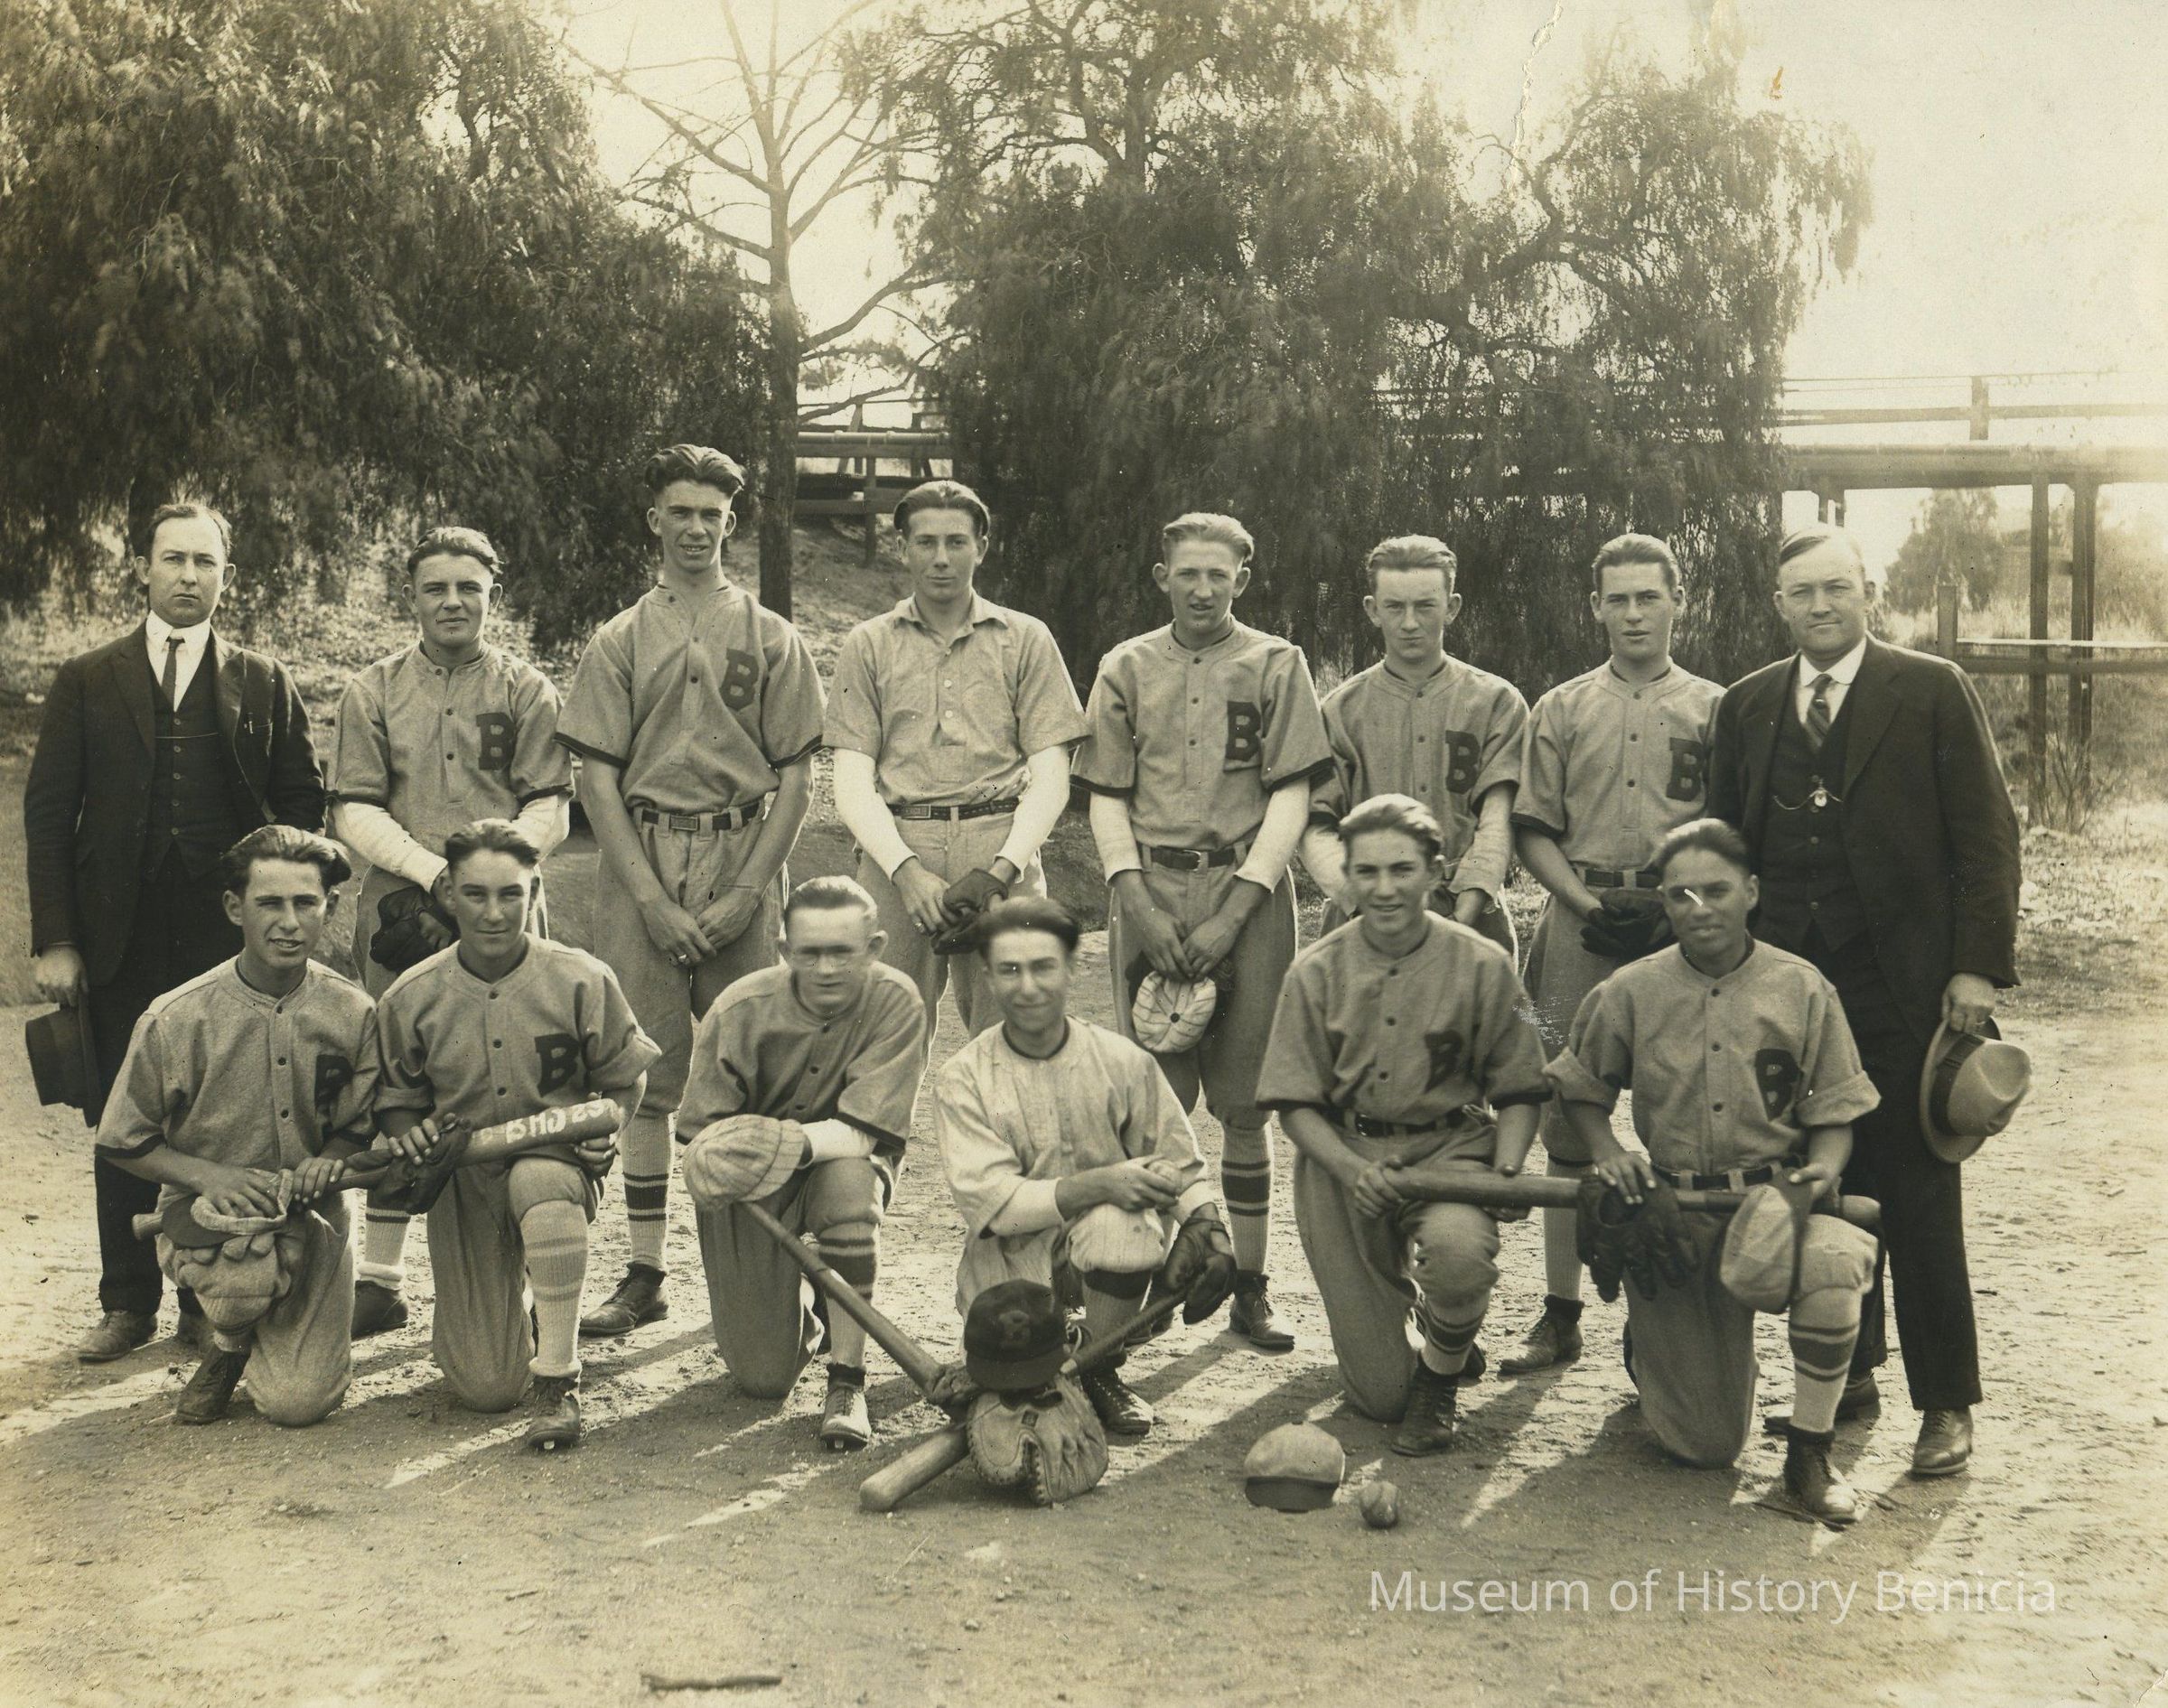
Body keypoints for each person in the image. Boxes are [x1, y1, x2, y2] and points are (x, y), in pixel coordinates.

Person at [1708, 523, 2022, 1479]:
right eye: (1802, 592)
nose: (1821, 606)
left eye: (1837, 588)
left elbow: (1988, 839)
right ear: (1778, 603)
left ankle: (1947, 1403)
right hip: (1787, 993)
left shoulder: (1930, 689)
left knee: (1917, 1188)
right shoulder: (1747, 704)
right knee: (1816, 1177)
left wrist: (1974, 968)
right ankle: (1846, 1375)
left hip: (1903, 986)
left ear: (1870, 592)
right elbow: (1725, 846)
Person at [24, 501, 326, 1363]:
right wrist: (58, 940)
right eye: (173, 559)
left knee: (219, 1113)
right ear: (143, 569)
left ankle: (209, 1293)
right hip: (116, 933)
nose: (189, 575)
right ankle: (127, 1301)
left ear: (227, 576)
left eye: (205, 562)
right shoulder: (88, 678)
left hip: (223, 934)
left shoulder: (263, 679)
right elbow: (49, 815)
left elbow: (302, 803)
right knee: (123, 1111)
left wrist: (276, 907)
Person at [555, 445, 826, 1340]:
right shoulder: (620, 637)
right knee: (644, 1069)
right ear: (655, 520)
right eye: (681, 511)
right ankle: (645, 1269)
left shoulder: (771, 634)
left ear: (730, 522)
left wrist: (748, 891)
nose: (697, 527)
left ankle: (776, 1268)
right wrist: (652, 901)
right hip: (643, 855)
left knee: (763, 1061)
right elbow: (595, 778)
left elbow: (797, 776)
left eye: (712, 513)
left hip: (742, 849)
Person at [1545, 817, 1882, 1523]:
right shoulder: (1633, 987)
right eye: (1681, 894)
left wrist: (1819, 1175)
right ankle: (1656, 1348)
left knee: (1836, 1260)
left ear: (1751, 891)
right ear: (1665, 903)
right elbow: (1581, 1089)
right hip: (1674, 1213)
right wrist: (1610, 1152)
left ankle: (1809, 1453)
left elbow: (1836, 1114)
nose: (1699, 908)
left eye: (1717, 890)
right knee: (1706, 1445)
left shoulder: (1802, 985)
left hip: (1772, 1202)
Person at [1072, 511, 1334, 1350]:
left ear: (1241, 580)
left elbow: (1292, 794)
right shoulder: (1126, 664)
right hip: (1149, 883)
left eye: (1219, 574)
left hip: (1245, 887)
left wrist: (1235, 909)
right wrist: (1137, 901)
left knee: (1247, 1103)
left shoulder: (1277, 661)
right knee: (1150, 1101)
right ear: (1163, 576)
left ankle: (1251, 1284)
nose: (1202, 587)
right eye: (1187, 572)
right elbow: (1106, 792)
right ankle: (1142, 1279)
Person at [328, 526, 573, 1338]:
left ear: (493, 594)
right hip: (401, 909)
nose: (453, 601)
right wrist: (435, 874)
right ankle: (382, 1276)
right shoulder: (373, 688)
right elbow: (353, 806)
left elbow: (550, 802)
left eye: (470, 586)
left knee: (514, 1072)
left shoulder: (526, 688)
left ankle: (525, 1279)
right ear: (412, 595)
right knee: (398, 1076)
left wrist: (492, 873)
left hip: (504, 906)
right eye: (436, 587)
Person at [1257, 795, 1549, 1455]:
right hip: (1342, 1157)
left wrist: (1505, 1170)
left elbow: (1522, 1085)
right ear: (1347, 876)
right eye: (1367, 871)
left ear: (1435, 872)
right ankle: (1431, 1323)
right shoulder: (1314, 970)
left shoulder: (1484, 962)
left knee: (1458, 1254)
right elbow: (1293, 1103)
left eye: (1402, 869)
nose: (1384, 888)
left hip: (1451, 1149)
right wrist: (1350, 1168)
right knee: (1382, 1397)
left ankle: (1441, 1374)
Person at [1500, 532, 1724, 1375]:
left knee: (1687, 1112)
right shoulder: (1561, 707)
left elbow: (1730, 832)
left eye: (1649, 596)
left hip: (1682, 927)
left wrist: (1676, 909)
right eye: (1617, 598)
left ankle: (1658, 1318)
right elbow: (1532, 828)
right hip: (1579, 921)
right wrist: (1586, 902)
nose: (1633, 614)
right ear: (1596, 606)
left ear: (1678, 601)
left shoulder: (1715, 707)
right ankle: (1560, 1312)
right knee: (1567, 1106)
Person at [373, 820, 659, 1449]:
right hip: (464, 1179)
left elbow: (626, 1078)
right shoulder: (411, 995)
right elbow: (395, 1101)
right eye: (476, 894)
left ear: (534, 892)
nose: (495, 912)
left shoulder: (581, 977)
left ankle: (558, 1378)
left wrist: (609, 1126)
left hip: (556, 1162)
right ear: (449, 894)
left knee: (541, 1179)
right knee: (486, 1388)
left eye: (512, 893)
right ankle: (521, 1304)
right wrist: (410, 1132)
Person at [95, 826, 378, 1427]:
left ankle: (254, 1334)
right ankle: (228, 1338)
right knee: (243, 1279)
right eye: (269, 903)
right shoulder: (178, 1016)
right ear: (234, 907)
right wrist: (209, 1176)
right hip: (211, 1213)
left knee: (299, 1403)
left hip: (312, 1207)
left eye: (305, 903)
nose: (289, 922)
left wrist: (331, 1156)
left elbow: (362, 1123)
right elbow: (120, 1138)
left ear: (330, 907)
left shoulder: (354, 1010)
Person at [935, 898, 1230, 1438]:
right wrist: (1105, 1182)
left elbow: (1177, 1162)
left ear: (1072, 968)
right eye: (1010, 970)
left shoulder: (1121, 1060)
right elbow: (997, 1209)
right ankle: (1059, 1353)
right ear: (989, 977)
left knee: (1126, 1223)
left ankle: (1098, 1366)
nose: (1028, 987)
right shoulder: (963, 1076)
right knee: (1011, 1377)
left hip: (1100, 1243)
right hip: (1009, 1261)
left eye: (1044, 967)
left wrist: (1207, 1224)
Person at [674, 877, 929, 1450]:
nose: (827, 969)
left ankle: (848, 1379)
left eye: (842, 952)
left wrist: (777, 1142)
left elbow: (866, 1135)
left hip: (843, 1164)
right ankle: (814, 1292)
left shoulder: (897, 1000)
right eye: (810, 953)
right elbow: (700, 1141)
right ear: (784, 950)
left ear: (875, 947)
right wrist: (728, 1160)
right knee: (763, 1378)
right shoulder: (739, 1007)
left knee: (851, 1188)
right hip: (754, 1188)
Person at [827, 480, 1085, 1037]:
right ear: (902, 548)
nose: (941, 558)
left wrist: (1000, 872)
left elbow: (1051, 777)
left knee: (1016, 1037)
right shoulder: (868, 644)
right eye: (925, 542)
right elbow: (849, 780)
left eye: (956, 542)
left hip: (1000, 845)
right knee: (880, 1038)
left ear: (981, 548)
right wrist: (906, 873)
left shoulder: (1026, 638)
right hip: (898, 849)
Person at [1300, 535, 1528, 957]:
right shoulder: (1340, 710)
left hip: (1471, 916)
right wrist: (1362, 905)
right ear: (1372, 610)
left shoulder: (1496, 702)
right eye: (1394, 607)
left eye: (1425, 606)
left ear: (1452, 607)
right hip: (1365, 920)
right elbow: (1316, 826)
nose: (1409, 623)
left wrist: (1463, 913)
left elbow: (1498, 819)